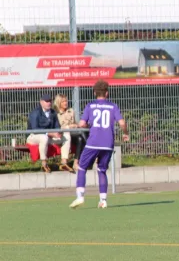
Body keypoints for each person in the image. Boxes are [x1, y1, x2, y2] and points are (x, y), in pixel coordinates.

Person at [69, 80, 129, 209]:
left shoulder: (90, 106)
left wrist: (87, 124)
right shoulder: (113, 106)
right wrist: (125, 133)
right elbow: (122, 123)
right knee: (102, 170)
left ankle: (80, 196)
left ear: (95, 92)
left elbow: (82, 124)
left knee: (82, 167)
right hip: (108, 144)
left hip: (93, 142)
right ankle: (103, 200)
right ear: (107, 93)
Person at [27, 94, 72, 173]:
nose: (49, 103)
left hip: (48, 137)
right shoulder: (35, 113)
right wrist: (50, 133)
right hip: (33, 137)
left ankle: (64, 163)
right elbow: (35, 129)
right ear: (41, 102)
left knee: (66, 135)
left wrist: (58, 132)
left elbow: (57, 126)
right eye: (46, 101)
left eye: (50, 101)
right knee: (44, 137)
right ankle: (44, 164)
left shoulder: (53, 112)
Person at [54, 94, 87, 171]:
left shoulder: (71, 111)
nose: (66, 103)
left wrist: (78, 125)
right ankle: (91, 148)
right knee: (82, 134)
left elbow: (75, 122)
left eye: (66, 101)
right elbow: (58, 127)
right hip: (64, 134)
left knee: (80, 138)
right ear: (59, 103)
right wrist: (69, 127)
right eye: (63, 101)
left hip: (74, 133)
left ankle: (76, 163)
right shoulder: (56, 114)